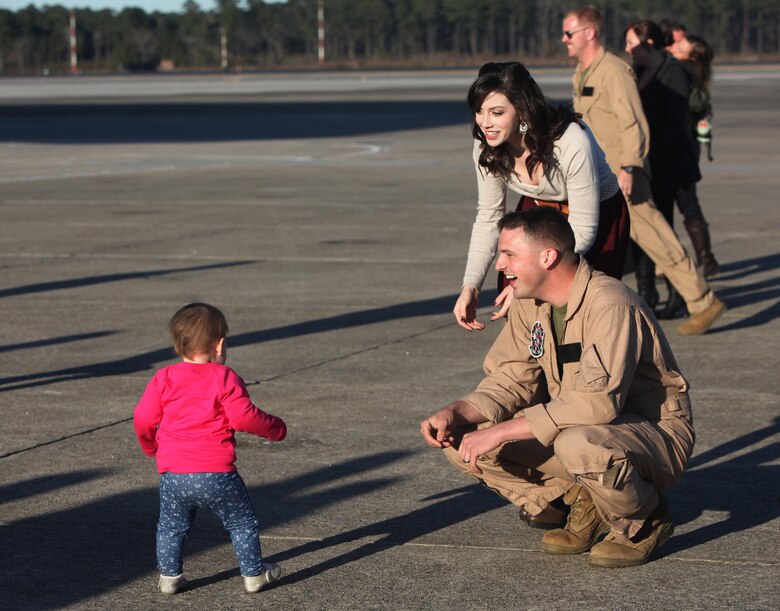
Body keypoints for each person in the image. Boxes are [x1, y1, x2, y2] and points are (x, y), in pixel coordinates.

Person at [421, 206, 695, 568]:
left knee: (576, 442)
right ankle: (584, 498)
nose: (500, 265)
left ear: (548, 256)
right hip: (582, 425)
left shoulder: (610, 303)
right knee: (462, 437)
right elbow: (512, 378)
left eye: (509, 255)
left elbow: (598, 404)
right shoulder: (528, 302)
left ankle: (645, 519)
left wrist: (502, 432)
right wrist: (457, 411)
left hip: (651, 433)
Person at [562, 7, 725, 334]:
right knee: (591, 243)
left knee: (657, 239)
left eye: (569, 33)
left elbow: (633, 123)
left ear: (589, 33)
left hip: (624, 176)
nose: (563, 40)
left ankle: (703, 301)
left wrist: (631, 167)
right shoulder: (583, 72)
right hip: (599, 176)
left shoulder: (614, 71)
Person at [453, 61, 630, 332]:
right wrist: (471, 286)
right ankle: (534, 367)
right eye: (479, 111)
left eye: (497, 112)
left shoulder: (570, 141)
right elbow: (490, 218)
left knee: (587, 308)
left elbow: (583, 230)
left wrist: (533, 275)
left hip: (597, 215)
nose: (485, 122)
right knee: (518, 297)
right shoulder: (486, 145)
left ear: (522, 110)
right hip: (539, 212)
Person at [133, 303, 287, 595]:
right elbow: (243, 417)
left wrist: (150, 446)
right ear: (220, 345)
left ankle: (170, 577)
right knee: (241, 523)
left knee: (171, 526)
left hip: (174, 474)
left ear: (178, 346)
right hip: (217, 473)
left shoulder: (163, 378)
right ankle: (253, 574)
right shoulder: (224, 377)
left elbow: (143, 417)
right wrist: (275, 428)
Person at [671, 33, 721, 277]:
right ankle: (706, 257)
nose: (675, 46)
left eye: (681, 45)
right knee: (690, 205)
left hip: (678, 150)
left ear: (691, 55)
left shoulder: (680, 71)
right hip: (689, 150)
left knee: (680, 206)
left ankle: (688, 262)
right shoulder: (698, 74)